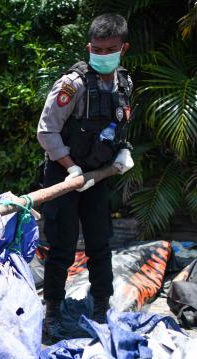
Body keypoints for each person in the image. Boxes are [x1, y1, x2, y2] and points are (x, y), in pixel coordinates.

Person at [36, 13, 133, 341]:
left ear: (124, 48)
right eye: (97, 48)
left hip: (97, 176)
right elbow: (46, 131)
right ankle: (52, 311)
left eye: (110, 49)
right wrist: (69, 166)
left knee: (100, 243)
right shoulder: (72, 84)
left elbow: (120, 126)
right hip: (64, 176)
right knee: (61, 246)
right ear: (88, 47)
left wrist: (123, 151)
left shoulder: (124, 84)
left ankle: (101, 308)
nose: (103, 55)